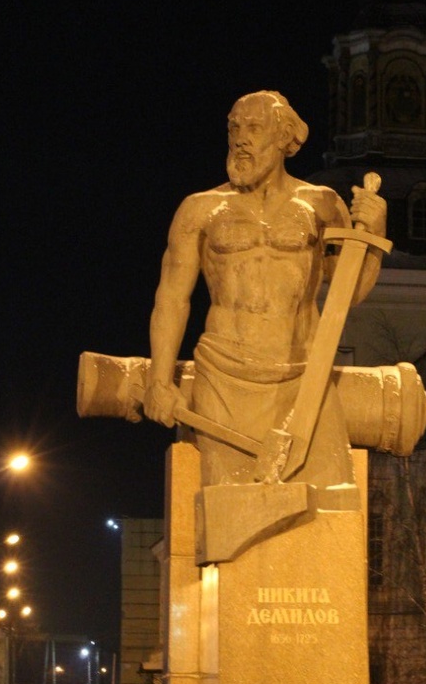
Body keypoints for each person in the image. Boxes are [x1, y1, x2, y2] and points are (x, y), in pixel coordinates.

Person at [144, 90, 386, 487]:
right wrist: (159, 380)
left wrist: (374, 231)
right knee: (233, 518)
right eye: (234, 128)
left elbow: (350, 292)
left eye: (253, 128)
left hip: (304, 380)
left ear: (283, 138)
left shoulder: (322, 205)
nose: (240, 138)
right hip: (223, 378)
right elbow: (171, 299)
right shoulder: (200, 208)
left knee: (330, 504)